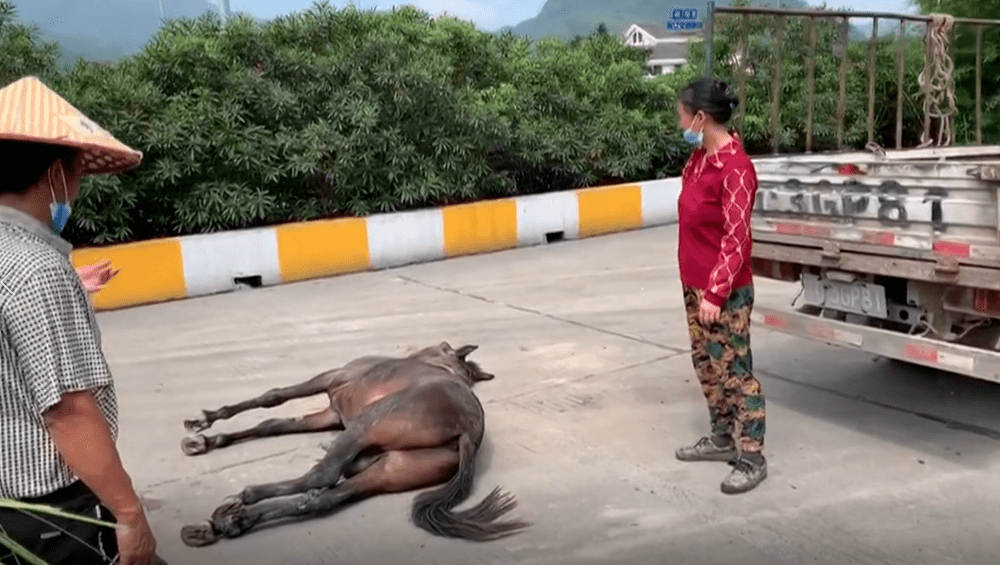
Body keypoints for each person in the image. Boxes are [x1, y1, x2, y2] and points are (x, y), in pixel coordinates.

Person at [0, 76, 158, 565]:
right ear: (55, 175)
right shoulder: (37, 268)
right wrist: (128, 512)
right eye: (77, 173)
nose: (77, 187)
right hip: (49, 509)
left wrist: (72, 292)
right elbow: (66, 410)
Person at [672, 77, 767, 495]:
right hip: (694, 286)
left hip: (723, 293)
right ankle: (721, 437)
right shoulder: (698, 161)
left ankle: (752, 456)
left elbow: (736, 237)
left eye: (682, 114)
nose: (679, 121)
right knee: (706, 365)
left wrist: (715, 292)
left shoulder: (736, 169)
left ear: (701, 117)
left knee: (735, 372)